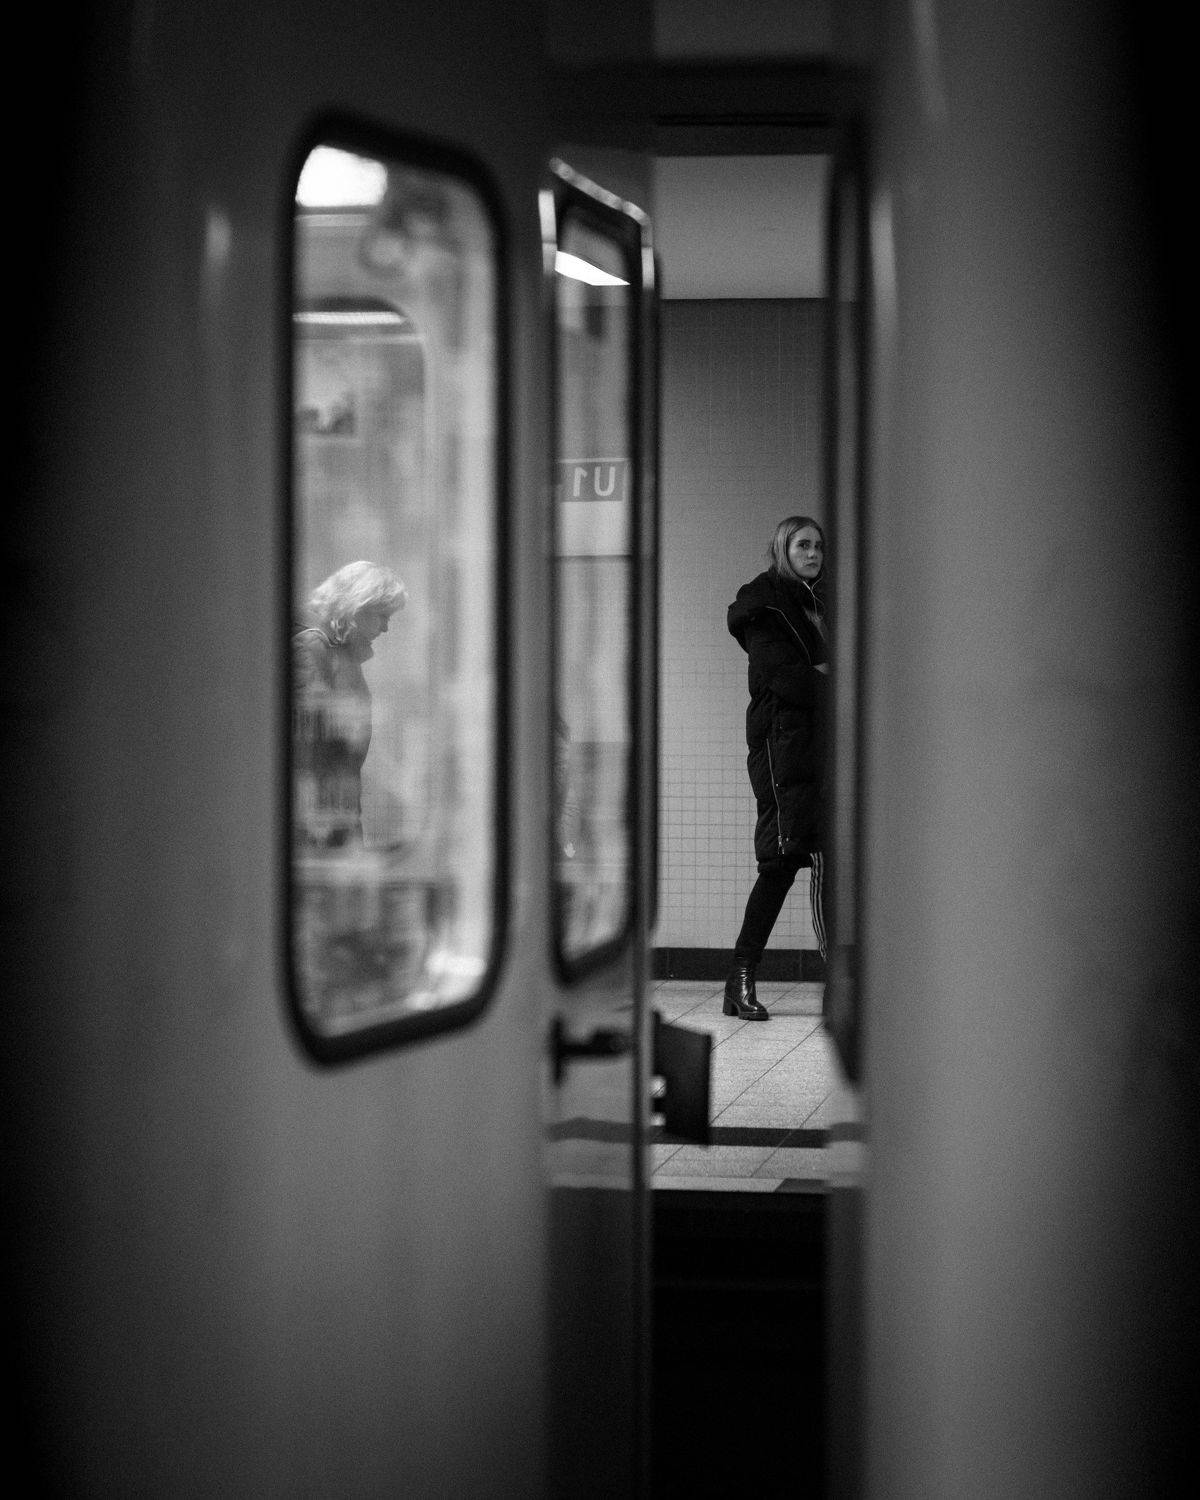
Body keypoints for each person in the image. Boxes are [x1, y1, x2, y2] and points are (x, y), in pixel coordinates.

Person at [723, 516, 829, 1020]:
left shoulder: (821, 604)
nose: (813, 553)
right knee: (781, 862)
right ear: (782, 550)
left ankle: (839, 980)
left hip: (822, 746)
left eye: (818, 546)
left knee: (830, 861)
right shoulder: (762, 605)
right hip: (781, 748)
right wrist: (825, 677)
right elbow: (788, 680)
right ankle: (740, 976)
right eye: (802, 545)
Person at [292, 560, 407, 849]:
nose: (385, 628)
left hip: (337, 813)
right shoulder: (313, 649)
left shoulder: (340, 653)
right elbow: (307, 747)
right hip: (319, 823)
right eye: (382, 616)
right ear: (356, 608)